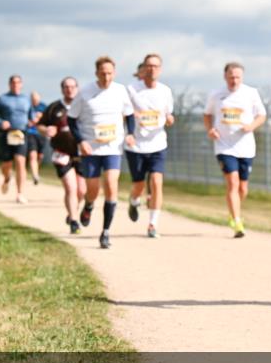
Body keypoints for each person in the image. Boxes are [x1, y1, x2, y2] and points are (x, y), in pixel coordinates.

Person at [68, 56, 135, 249]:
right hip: (91, 148)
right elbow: (72, 120)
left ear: (114, 73)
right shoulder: (85, 92)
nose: (106, 77)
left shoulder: (121, 91)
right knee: (93, 189)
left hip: (113, 147)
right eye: (103, 73)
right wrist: (81, 141)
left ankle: (105, 232)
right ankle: (89, 205)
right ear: (96, 73)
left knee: (111, 185)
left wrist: (130, 133)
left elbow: (129, 114)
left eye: (110, 73)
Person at [203, 62, 267, 238]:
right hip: (224, 145)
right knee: (232, 182)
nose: (234, 80)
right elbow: (207, 115)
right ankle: (237, 222)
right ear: (225, 77)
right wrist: (210, 129)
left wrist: (251, 125)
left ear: (242, 77)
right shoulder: (216, 95)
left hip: (246, 147)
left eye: (238, 77)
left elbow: (262, 115)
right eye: (231, 77)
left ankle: (233, 211)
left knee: (243, 189)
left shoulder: (251, 93)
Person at [125, 54, 174, 238]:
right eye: (148, 66)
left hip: (157, 144)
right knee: (138, 185)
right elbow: (122, 113)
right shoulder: (131, 90)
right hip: (136, 145)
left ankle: (153, 224)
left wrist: (169, 119)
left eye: (155, 66)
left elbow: (168, 114)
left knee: (156, 182)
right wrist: (131, 120)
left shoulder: (165, 91)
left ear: (160, 69)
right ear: (143, 69)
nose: (152, 69)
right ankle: (134, 200)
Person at [37, 76, 86, 234]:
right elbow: (40, 125)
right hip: (61, 153)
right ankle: (73, 220)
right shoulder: (54, 108)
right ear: (62, 89)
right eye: (66, 86)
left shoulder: (84, 105)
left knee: (82, 191)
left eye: (72, 86)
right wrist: (46, 130)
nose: (69, 89)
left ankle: (71, 212)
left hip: (81, 154)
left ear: (77, 88)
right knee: (71, 188)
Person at [0, 75, 32, 203]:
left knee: (20, 161)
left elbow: (30, 115)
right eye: (13, 82)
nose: (15, 85)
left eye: (18, 82)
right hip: (7, 134)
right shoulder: (2, 99)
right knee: (6, 164)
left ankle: (20, 193)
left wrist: (31, 121)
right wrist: (0, 122)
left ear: (21, 84)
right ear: (9, 84)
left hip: (21, 133)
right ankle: (7, 178)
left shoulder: (26, 99)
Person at [26, 91, 48, 186]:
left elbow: (48, 119)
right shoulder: (27, 107)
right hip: (30, 133)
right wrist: (29, 122)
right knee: (32, 155)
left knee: (40, 156)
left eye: (36, 99)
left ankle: (35, 171)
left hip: (41, 134)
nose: (34, 101)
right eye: (33, 99)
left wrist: (41, 117)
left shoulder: (44, 107)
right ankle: (35, 176)